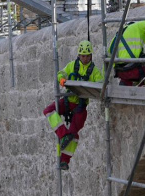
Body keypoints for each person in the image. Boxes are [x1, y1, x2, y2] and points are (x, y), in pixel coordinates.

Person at [43, 40, 104, 170]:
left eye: (87, 56)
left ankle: (64, 161)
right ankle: (63, 134)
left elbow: (100, 84)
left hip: (80, 107)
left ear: (91, 56)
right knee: (48, 110)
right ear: (79, 55)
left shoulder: (94, 71)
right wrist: (62, 80)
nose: (85, 58)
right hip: (67, 101)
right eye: (83, 56)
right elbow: (61, 73)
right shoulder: (71, 66)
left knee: (74, 134)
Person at [107, 17, 145, 87]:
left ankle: (126, 83)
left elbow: (108, 59)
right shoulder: (137, 27)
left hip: (121, 73)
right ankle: (144, 87)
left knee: (130, 73)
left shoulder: (115, 37)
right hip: (134, 70)